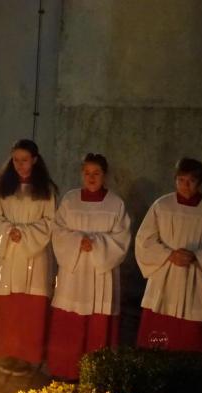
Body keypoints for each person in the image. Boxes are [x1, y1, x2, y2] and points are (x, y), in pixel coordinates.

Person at [46, 153, 131, 380]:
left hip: (101, 273)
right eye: (87, 173)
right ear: (81, 174)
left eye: (96, 173)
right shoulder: (70, 200)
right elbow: (58, 230)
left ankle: (97, 374)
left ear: (105, 175)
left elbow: (122, 238)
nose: (91, 177)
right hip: (73, 274)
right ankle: (66, 369)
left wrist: (95, 243)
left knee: (98, 323)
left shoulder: (116, 203)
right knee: (70, 323)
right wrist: (76, 241)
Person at [0, 139, 58, 376]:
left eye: (24, 160)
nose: (20, 164)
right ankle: (7, 351)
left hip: (33, 256)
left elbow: (50, 223)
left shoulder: (46, 190)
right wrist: (8, 231)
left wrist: (25, 234)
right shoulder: (5, 188)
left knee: (29, 308)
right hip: (9, 253)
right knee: (10, 306)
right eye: (16, 159)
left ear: (35, 160)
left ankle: (28, 356)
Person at [135, 158, 202, 352]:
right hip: (163, 275)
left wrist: (197, 256)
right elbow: (144, 240)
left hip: (194, 278)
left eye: (191, 181)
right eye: (181, 180)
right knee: (156, 339)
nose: (185, 185)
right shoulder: (162, 206)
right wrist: (168, 254)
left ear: (200, 182)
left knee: (189, 340)